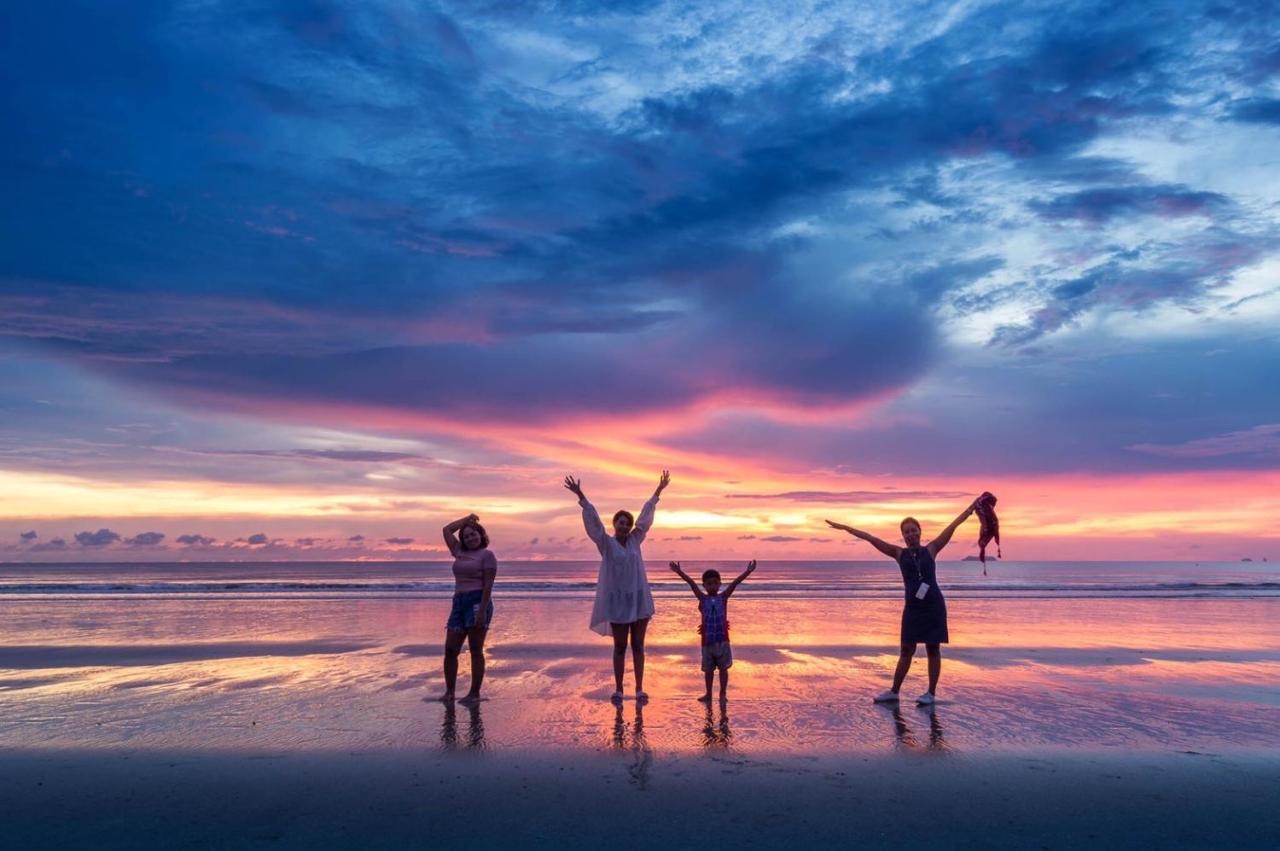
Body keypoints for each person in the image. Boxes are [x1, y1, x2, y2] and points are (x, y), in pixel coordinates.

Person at [826, 498, 977, 705]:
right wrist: (846, 528)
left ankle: (931, 694)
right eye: (906, 532)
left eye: (913, 530)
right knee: (907, 649)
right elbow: (871, 538)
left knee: (933, 649)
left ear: (920, 532)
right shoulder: (899, 554)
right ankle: (894, 691)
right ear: (903, 536)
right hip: (913, 608)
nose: (910, 534)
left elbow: (952, 526)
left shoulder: (931, 549)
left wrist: (970, 509)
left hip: (933, 606)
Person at [564, 470, 670, 701]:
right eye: (621, 523)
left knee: (639, 646)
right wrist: (580, 495)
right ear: (615, 524)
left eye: (627, 523)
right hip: (618, 603)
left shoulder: (635, 539)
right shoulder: (606, 543)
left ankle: (640, 688)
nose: (624, 526)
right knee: (620, 647)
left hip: (638, 599)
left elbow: (646, 517)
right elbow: (593, 523)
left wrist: (658, 491)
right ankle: (619, 689)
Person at [669, 560, 756, 702]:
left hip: (722, 641)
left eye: (715, 583)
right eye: (709, 584)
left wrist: (748, 572)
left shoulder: (723, 597)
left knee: (723, 669)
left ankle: (722, 694)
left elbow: (735, 583)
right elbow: (691, 583)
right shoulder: (702, 599)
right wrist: (679, 572)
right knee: (708, 670)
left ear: (719, 584)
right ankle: (708, 694)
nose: (712, 586)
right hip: (707, 642)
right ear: (704, 586)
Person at [439, 513, 497, 704]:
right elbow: (446, 530)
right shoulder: (459, 552)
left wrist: (481, 612)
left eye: (474, 534)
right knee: (450, 650)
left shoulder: (487, 556)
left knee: (475, 650)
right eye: (467, 536)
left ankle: (474, 693)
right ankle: (449, 692)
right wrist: (466, 520)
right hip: (458, 602)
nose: (471, 538)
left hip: (477, 602)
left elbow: (488, 586)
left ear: (481, 535)